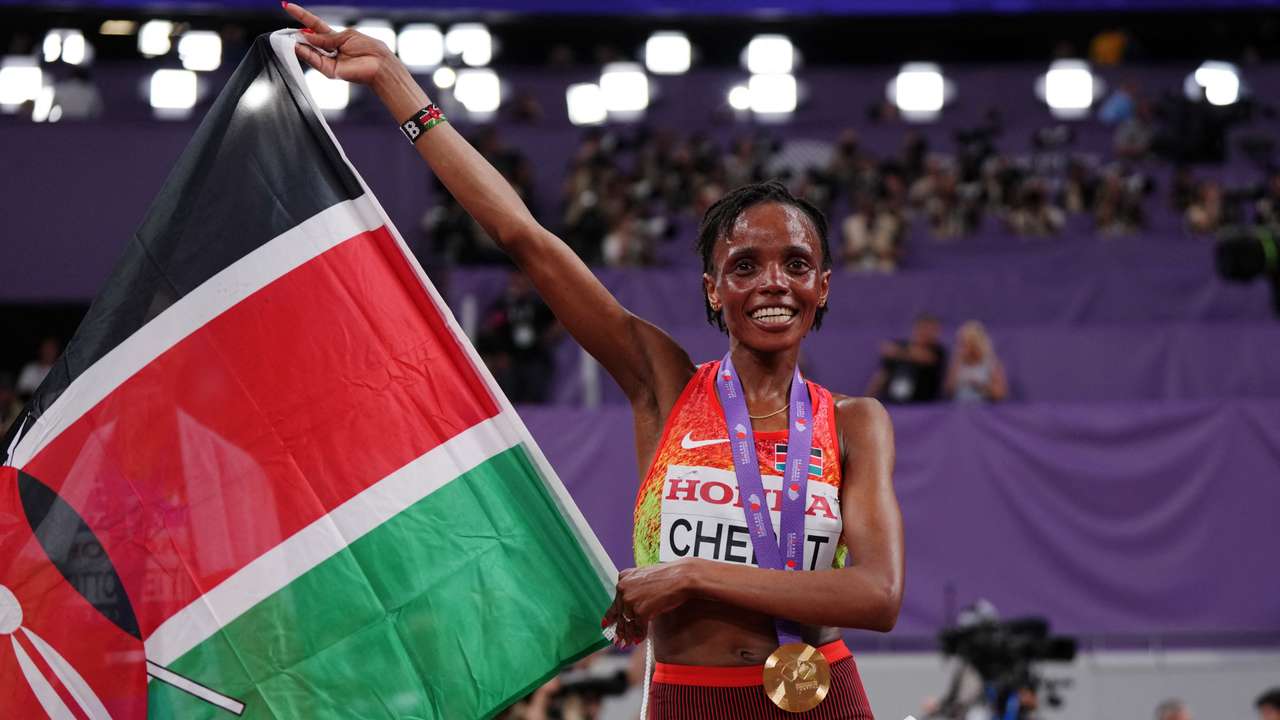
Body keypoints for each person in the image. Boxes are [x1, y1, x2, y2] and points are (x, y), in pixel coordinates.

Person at [284, 6, 904, 718]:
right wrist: (397, 84)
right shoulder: (663, 383)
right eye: (744, 266)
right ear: (712, 289)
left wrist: (690, 577)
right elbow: (525, 238)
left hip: (820, 697)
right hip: (689, 702)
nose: (772, 282)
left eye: (797, 264)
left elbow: (877, 595)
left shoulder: (855, 423)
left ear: (822, 287)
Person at [867, 315, 947, 404]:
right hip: (893, 403)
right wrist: (868, 399)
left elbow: (925, 358)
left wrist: (898, 352)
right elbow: (883, 375)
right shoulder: (901, 345)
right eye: (923, 329)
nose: (926, 333)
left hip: (923, 405)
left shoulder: (938, 351)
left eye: (931, 330)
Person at [945, 321, 1007, 403]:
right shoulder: (957, 363)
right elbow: (948, 391)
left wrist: (980, 386)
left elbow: (1000, 394)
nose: (961, 347)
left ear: (976, 344)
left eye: (966, 344)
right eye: (960, 343)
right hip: (960, 410)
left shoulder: (991, 364)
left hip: (985, 410)